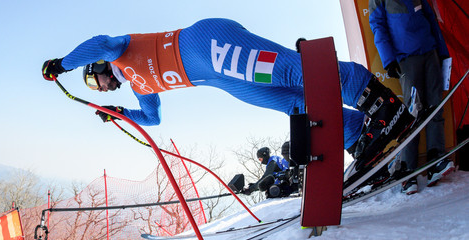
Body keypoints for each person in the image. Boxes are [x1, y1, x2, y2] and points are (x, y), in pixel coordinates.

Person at [42, 18, 414, 168]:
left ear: (97, 69)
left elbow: (99, 41)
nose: (101, 88)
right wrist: (118, 113)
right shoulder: (140, 86)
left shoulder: (116, 53)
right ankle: (358, 132)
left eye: (94, 81)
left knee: (288, 69)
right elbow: (153, 118)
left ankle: (381, 101)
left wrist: (63, 63)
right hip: (218, 78)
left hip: (207, 45)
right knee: (290, 101)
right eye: (94, 89)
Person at [369, 0, 454, 194]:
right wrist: (388, 60)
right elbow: (377, 24)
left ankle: (436, 161)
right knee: (412, 113)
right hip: (406, 57)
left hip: (429, 51)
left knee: (435, 107)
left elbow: (430, 17)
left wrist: (442, 51)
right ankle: (408, 172)